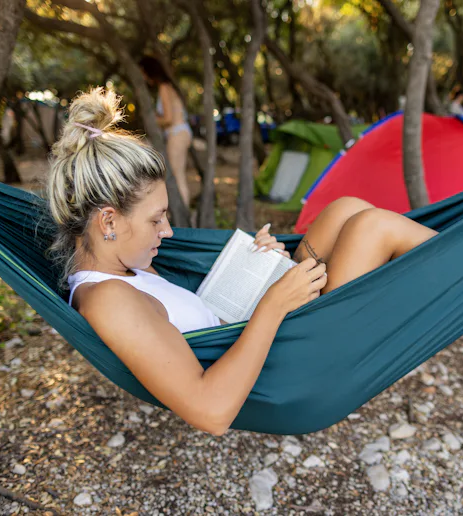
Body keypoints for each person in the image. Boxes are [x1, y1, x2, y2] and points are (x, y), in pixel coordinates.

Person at [46, 88, 438, 436]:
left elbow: (191, 316)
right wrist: (275, 303)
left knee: (344, 210)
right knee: (372, 227)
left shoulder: (124, 265)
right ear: (109, 221)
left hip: (261, 329)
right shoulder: (108, 300)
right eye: (155, 219)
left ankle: (457, 267)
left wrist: (262, 269)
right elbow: (211, 412)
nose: (167, 232)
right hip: (291, 370)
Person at [138, 55, 193, 207]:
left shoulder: (163, 88)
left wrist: (152, 119)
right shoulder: (168, 87)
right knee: (178, 176)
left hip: (177, 134)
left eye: (142, 72)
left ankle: (183, 215)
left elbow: (168, 118)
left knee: (178, 177)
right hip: (180, 133)